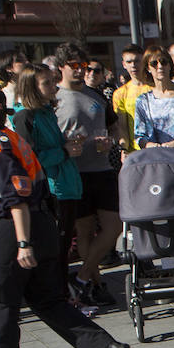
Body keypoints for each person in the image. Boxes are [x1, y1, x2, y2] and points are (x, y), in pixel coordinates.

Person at [0, 86, 128, 348]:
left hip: (13, 232)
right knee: (48, 300)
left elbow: (16, 198)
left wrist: (23, 243)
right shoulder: (10, 140)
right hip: (40, 226)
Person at [54, 45, 121, 308]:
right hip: (75, 173)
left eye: (84, 66)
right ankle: (95, 284)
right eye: (74, 66)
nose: (81, 71)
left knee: (114, 227)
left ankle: (81, 279)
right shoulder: (54, 98)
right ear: (61, 67)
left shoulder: (95, 96)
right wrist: (67, 146)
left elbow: (114, 128)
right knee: (84, 232)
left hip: (102, 169)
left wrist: (111, 142)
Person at [13, 66, 86, 299]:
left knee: (63, 246)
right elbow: (30, 158)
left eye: (52, 82)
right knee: (57, 248)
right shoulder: (25, 116)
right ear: (32, 87)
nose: (53, 87)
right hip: (52, 189)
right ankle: (59, 296)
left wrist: (68, 146)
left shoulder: (46, 112)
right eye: (46, 83)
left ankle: (62, 293)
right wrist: (63, 151)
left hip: (66, 184)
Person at [133, 47, 174, 150]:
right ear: (148, 68)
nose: (160, 66)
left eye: (164, 62)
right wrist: (151, 145)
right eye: (154, 63)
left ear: (170, 65)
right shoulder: (143, 101)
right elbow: (139, 136)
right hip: (156, 158)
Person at [112, 44, 146, 157]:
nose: (133, 65)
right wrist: (124, 149)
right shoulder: (120, 93)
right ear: (124, 65)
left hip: (157, 147)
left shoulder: (155, 87)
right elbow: (122, 126)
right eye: (129, 62)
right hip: (134, 151)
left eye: (137, 61)